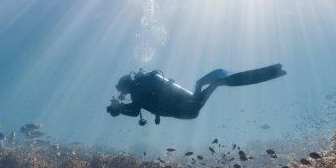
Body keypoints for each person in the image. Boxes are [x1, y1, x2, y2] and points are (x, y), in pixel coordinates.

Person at [107, 64, 287, 125]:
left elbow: (133, 111)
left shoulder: (138, 91)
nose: (123, 94)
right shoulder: (145, 84)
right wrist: (121, 107)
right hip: (190, 104)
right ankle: (222, 76)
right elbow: (135, 108)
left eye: (122, 90)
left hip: (187, 111)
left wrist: (119, 108)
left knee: (211, 84)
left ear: (127, 85)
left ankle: (221, 79)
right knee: (204, 83)